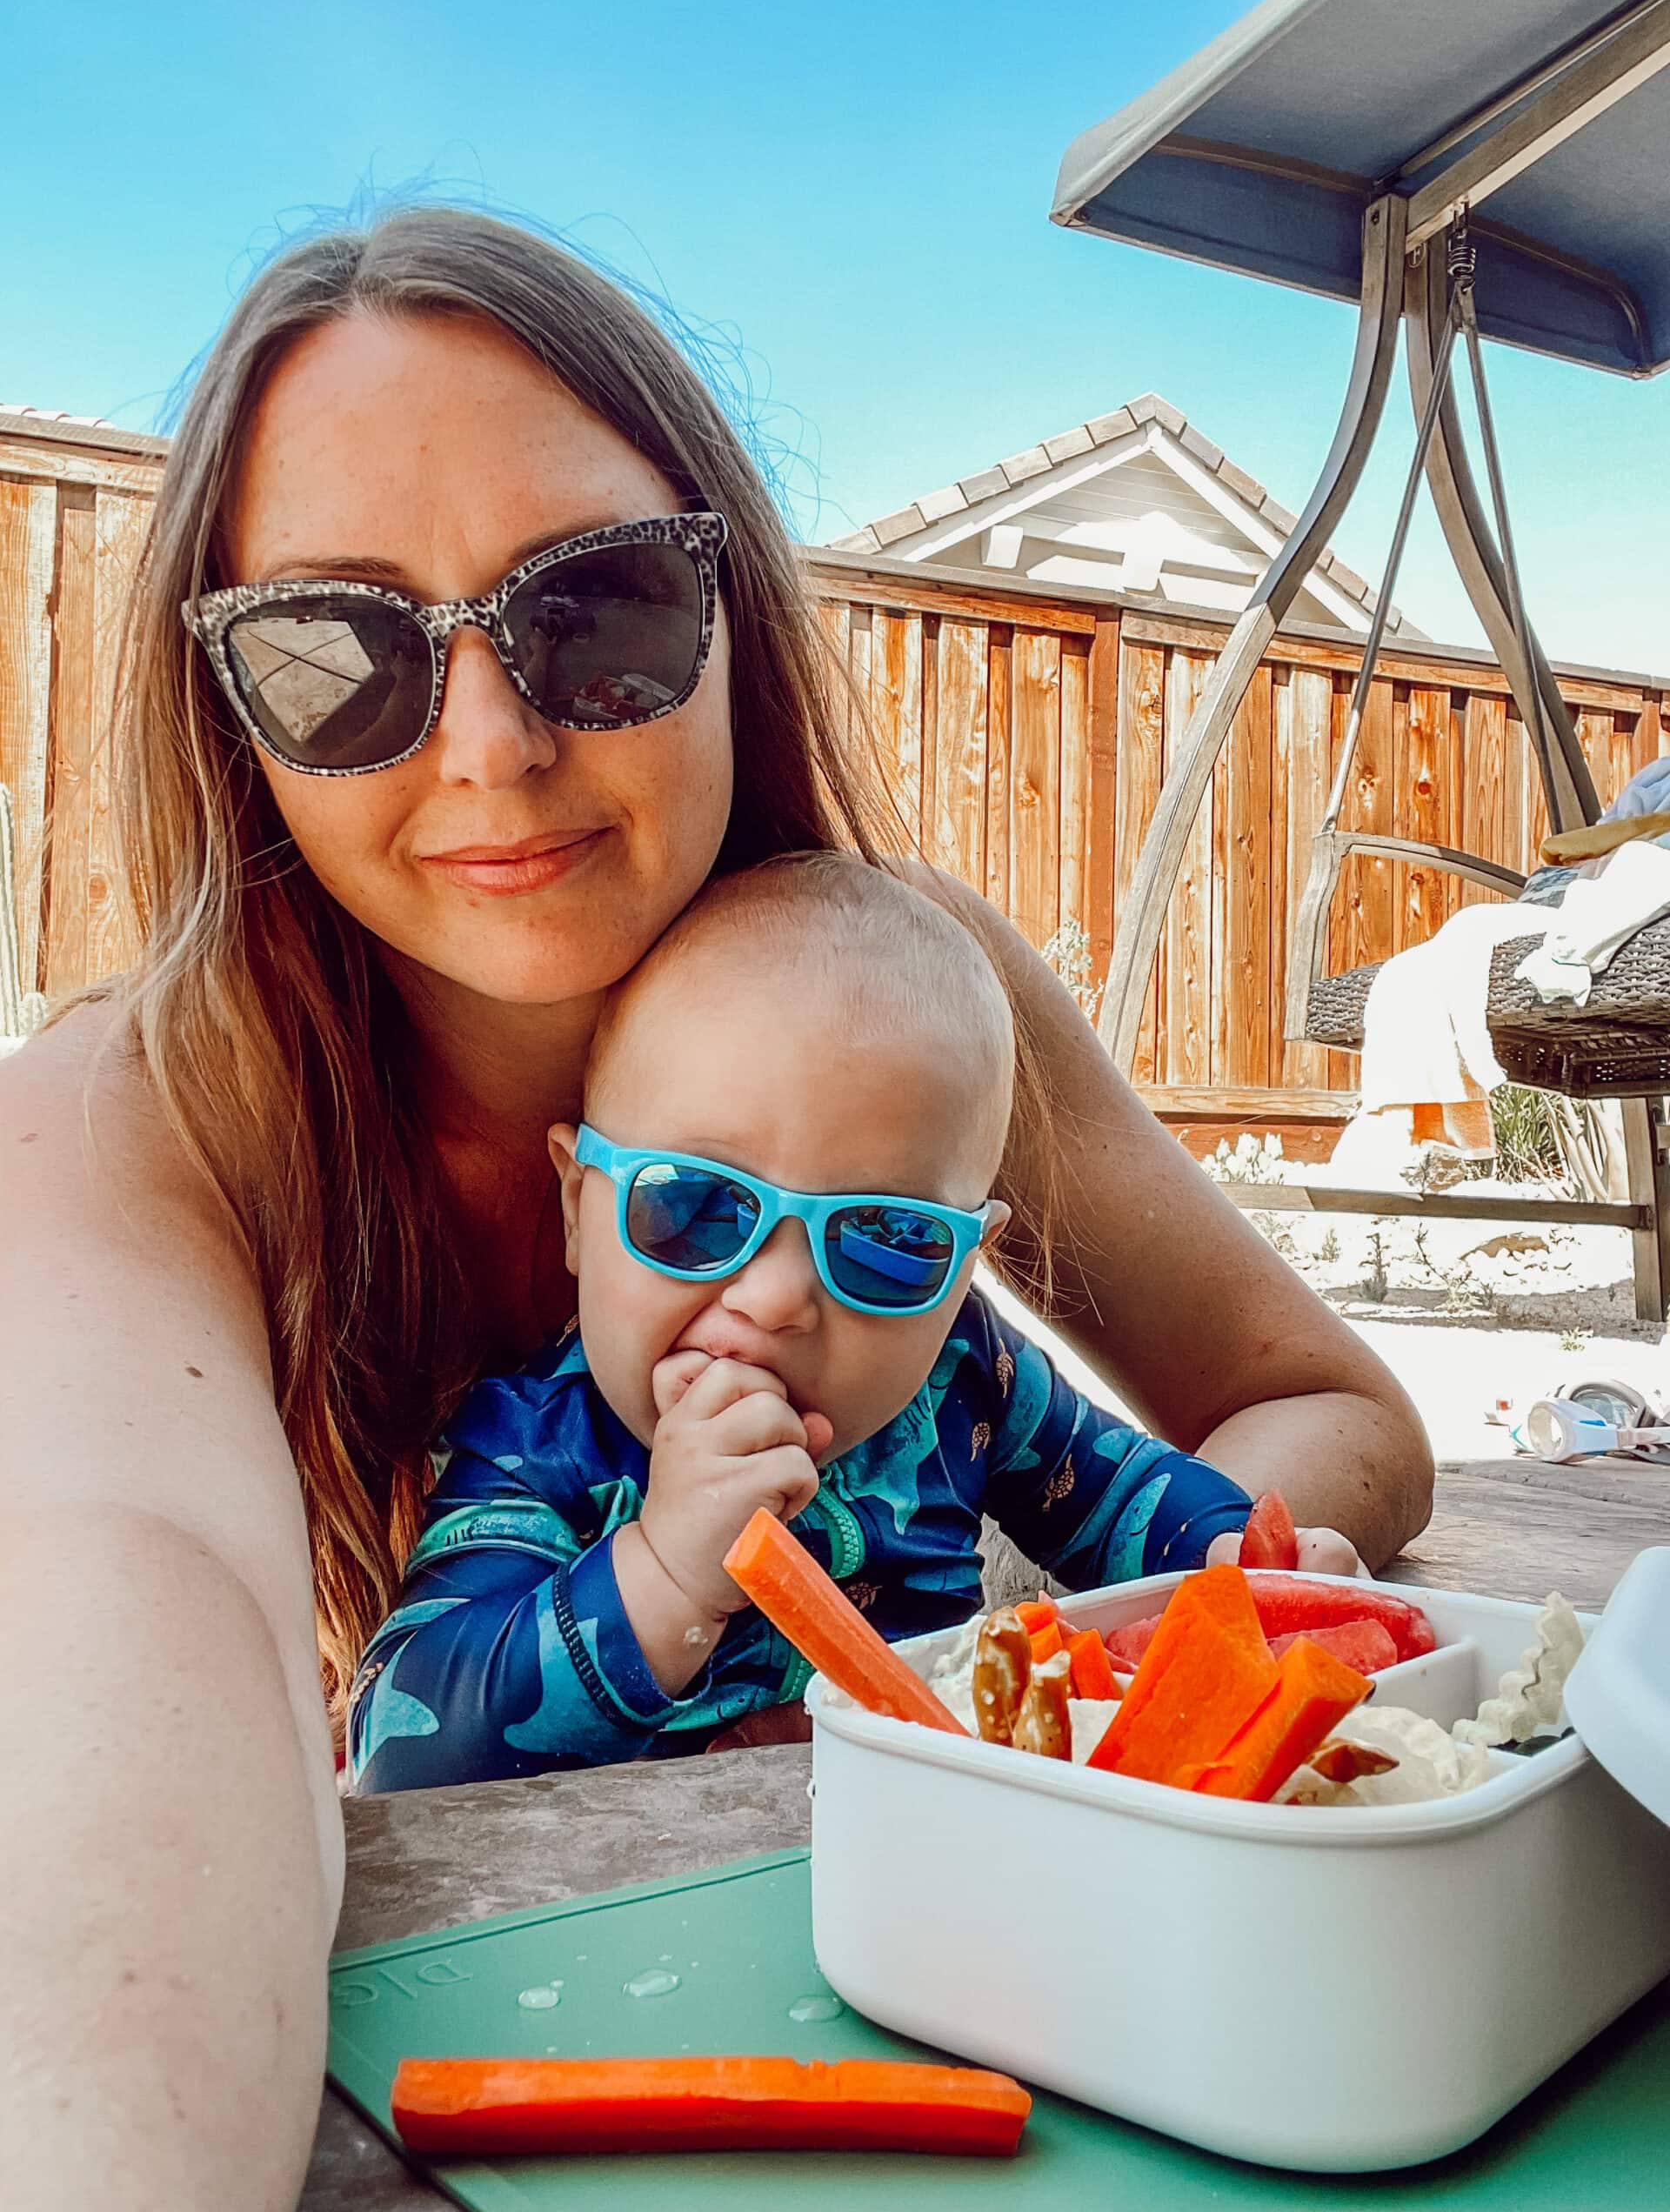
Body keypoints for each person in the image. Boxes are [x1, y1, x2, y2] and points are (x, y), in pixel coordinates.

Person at [0, 206, 1433, 2205]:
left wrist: (1101, 1675)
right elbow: (115, 1751)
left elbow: (1323, 1423)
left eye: (590, 609)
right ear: (232, 710)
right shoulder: (132, 1120)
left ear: (731, 601)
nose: (491, 746)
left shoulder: (914, 995)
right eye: (335, 650)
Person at [350, 857, 1361, 1789]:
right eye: (694, 1206)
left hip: (928, 1870)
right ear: (578, 1207)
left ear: (965, 1264)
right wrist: (661, 1578)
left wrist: (1237, 1564)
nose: (778, 1295)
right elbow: (405, 1742)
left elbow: (1127, 1499)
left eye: (886, 1242)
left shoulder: (967, 1377)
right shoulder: (539, 1443)